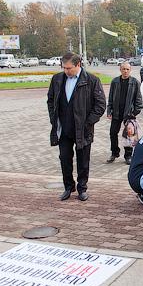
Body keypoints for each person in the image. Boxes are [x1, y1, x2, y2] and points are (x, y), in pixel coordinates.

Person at [46, 52, 106, 201]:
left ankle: (82, 189)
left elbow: (100, 105)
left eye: (69, 68)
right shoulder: (57, 79)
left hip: (83, 129)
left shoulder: (91, 80)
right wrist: (53, 118)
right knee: (64, 158)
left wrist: (88, 122)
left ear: (78, 64)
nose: (66, 71)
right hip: (63, 129)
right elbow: (50, 100)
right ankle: (68, 187)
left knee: (83, 161)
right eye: (64, 68)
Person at [106, 62, 142, 164]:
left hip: (129, 114)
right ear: (120, 69)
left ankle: (128, 155)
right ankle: (114, 152)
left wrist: (134, 113)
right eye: (123, 69)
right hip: (116, 112)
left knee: (129, 135)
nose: (125, 71)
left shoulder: (135, 82)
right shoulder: (115, 81)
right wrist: (109, 111)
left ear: (130, 70)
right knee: (113, 133)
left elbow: (139, 100)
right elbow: (111, 98)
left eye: (127, 69)